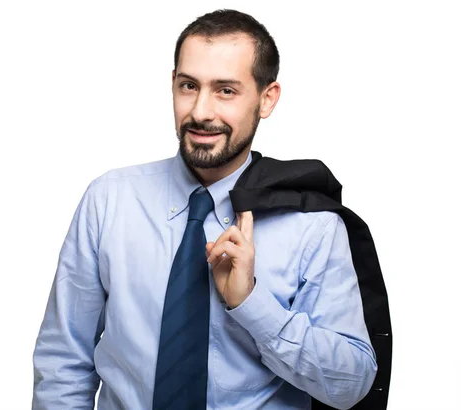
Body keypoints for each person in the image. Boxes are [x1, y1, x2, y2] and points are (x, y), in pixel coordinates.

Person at [32, 8, 377, 410]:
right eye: (188, 86)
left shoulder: (311, 224)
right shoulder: (109, 200)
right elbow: (64, 362)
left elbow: (351, 385)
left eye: (225, 90)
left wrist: (252, 303)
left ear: (267, 99)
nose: (200, 112)